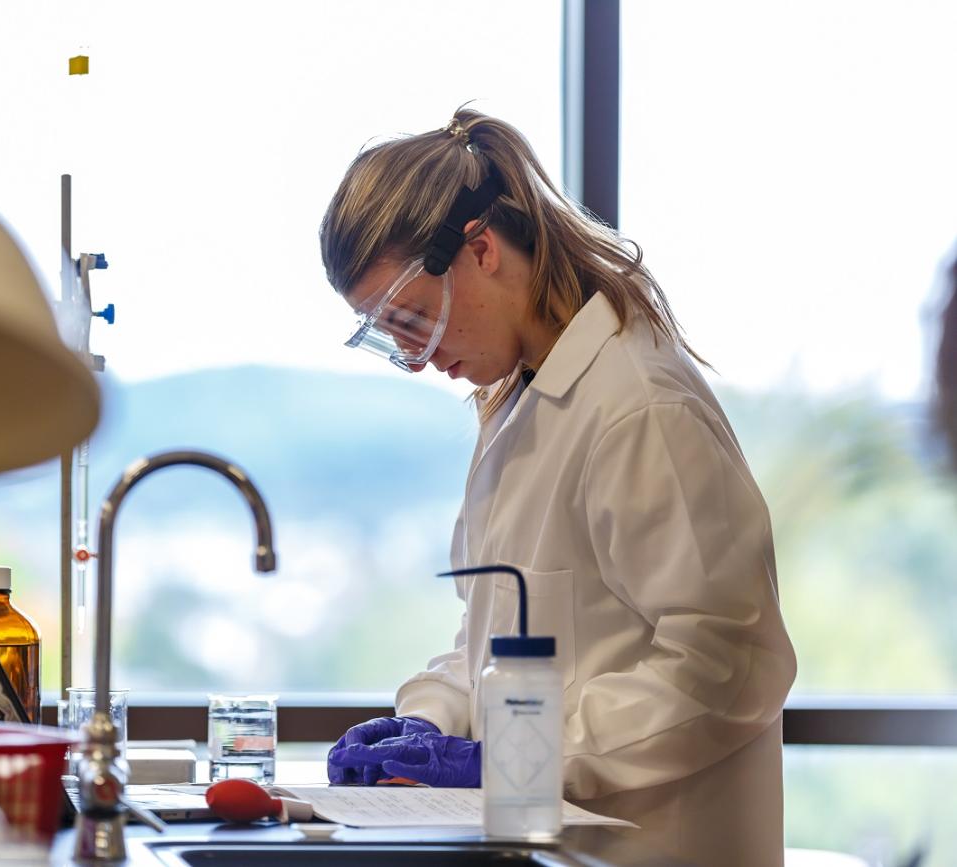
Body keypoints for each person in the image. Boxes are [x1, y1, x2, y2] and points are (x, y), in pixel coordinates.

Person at [320, 109, 797, 867]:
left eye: (412, 319)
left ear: (479, 250)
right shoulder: (519, 404)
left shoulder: (640, 405)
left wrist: (520, 755)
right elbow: (498, 638)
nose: (412, 358)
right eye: (389, 335)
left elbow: (727, 664)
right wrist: (431, 720)